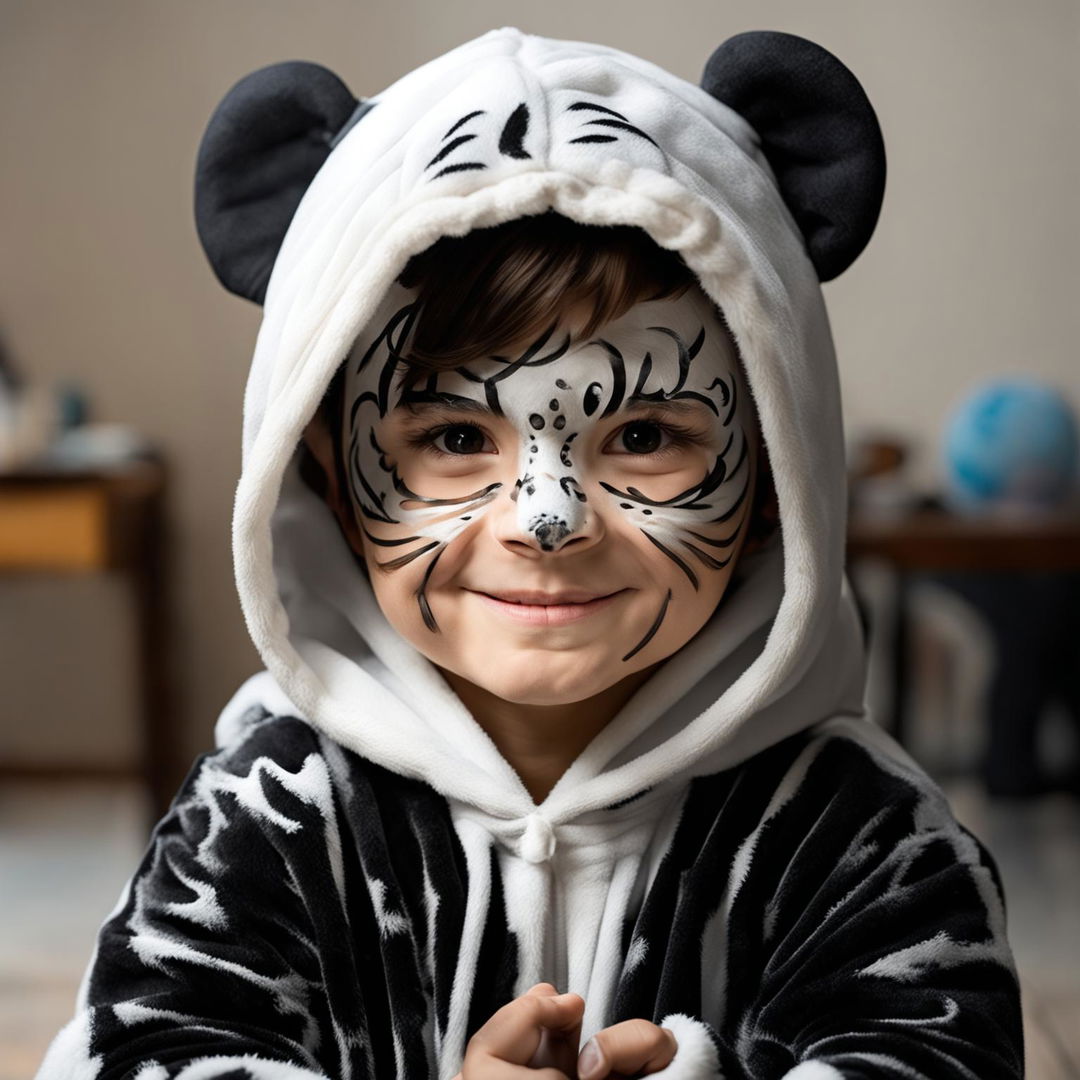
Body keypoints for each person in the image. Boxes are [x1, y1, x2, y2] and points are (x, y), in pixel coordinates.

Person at [36, 26, 1024, 1080]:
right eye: (456, 439)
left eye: (643, 436)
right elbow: (143, 1051)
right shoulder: (265, 813)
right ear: (326, 468)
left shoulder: (863, 838)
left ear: (780, 463)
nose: (544, 518)